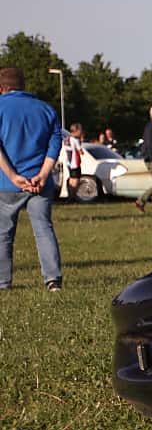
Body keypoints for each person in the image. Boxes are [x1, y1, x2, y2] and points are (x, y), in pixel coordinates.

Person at [0, 65, 64, 291]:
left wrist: (14, 176)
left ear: (1, 87)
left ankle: (3, 282)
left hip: (6, 183)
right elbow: (55, 144)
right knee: (43, 229)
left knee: (4, 233)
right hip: (40, 183)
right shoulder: (46, 109)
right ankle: (53, 280)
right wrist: (43, 175)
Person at [60, 122, 84, 199]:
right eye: (80, 130)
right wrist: (81, 142)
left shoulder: (67, 139)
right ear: (76, 131)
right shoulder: (75, 140)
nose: (81, 132)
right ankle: (73, 195)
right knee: (76, 179)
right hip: (75, 162)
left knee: (71, 178)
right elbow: (80, 151)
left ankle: (70, 194)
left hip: (68, 162)